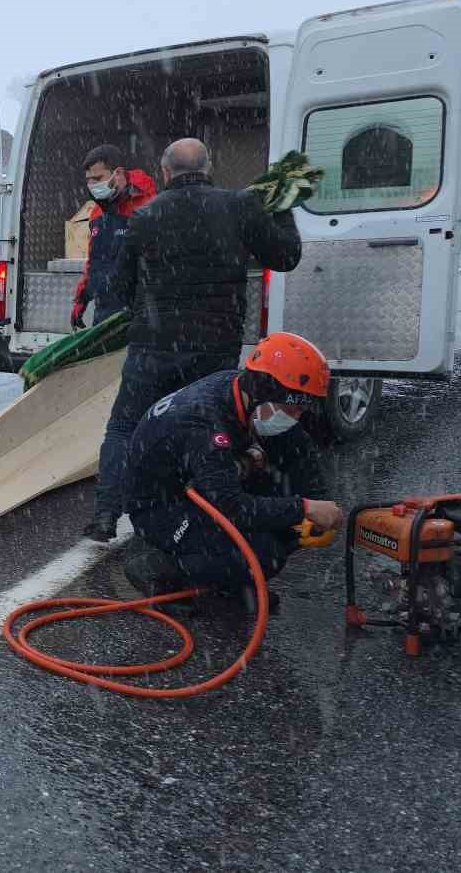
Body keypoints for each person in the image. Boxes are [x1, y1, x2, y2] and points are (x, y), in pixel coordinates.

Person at [84, 137, 303, 542]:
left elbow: (119, 285)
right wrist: (283, 206)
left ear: (165, 172)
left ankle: (105, 514)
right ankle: (203, 514)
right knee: (206, 429)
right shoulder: (240, 206)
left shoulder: (145, 216)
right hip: (213, 348)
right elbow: (286, 257)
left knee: (124, 428)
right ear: (210, 165)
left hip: (152, 346)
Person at [122, 332, 345, 615]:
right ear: (264, 393)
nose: (296, 416)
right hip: (161, 508)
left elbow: (297, 448)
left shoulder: (240, 388)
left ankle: (229, 578)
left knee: (285, 516)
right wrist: (303, 508)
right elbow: (233, 508)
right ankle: (158, 568)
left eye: (301, 410)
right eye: (292, 408)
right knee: (265, 554)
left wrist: (318, 500)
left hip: (197, 481)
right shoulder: (202, 423)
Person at [70, 145, 157, 330]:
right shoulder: (96, 214)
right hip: (105, 311)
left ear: (117, 174)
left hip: (141, 312)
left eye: (98, 178)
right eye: (89, 180)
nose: (93, 185)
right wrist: (82, 299)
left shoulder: (148, 207)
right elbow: (94, 261)